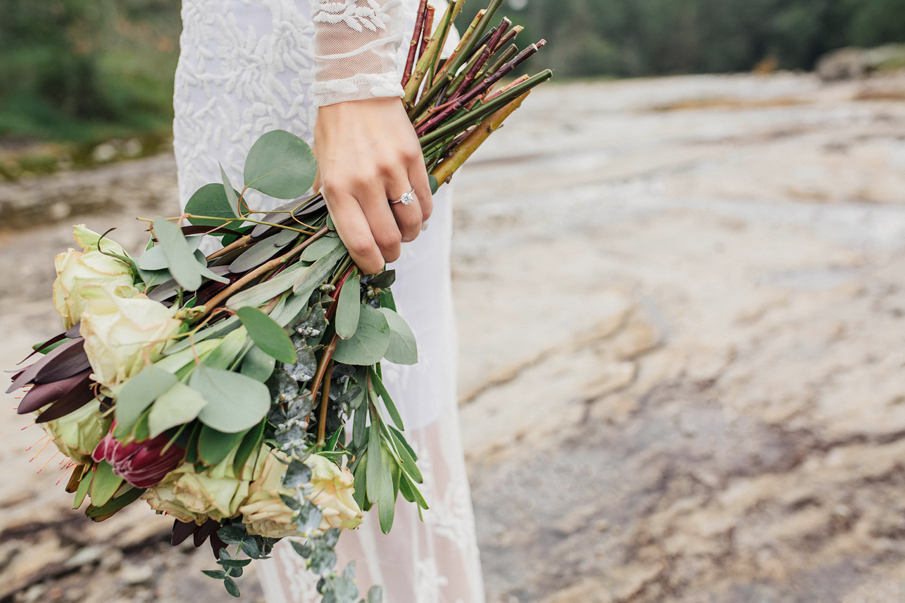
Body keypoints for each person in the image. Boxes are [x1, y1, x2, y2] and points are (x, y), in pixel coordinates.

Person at [172, 1, 485, 602]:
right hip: (228, 65)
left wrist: (355, 71)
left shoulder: (350, 72)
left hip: (333, 63)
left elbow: (352, 62)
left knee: (382, 384)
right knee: (257, 394)